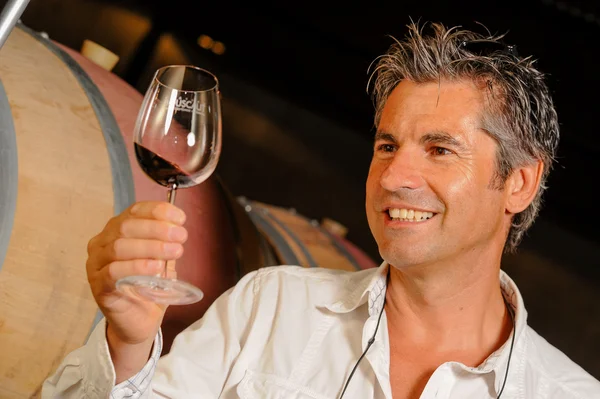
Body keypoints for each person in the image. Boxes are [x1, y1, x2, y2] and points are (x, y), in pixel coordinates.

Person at [43, 21, 600, 398]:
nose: (395, 177)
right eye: (387, 146)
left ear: (520, 183)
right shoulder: (270, 306)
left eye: (439, 149)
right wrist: (129, 341)